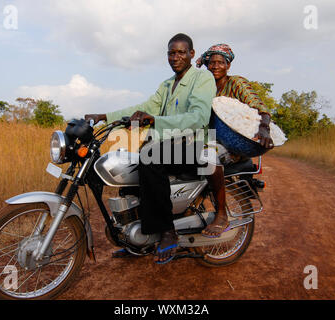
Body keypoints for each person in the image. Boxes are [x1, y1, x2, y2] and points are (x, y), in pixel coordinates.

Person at [84, 33, 216, 263]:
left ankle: (167, 232)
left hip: (193, 146)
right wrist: (105, 116)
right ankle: (138, 237)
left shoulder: (202, 79)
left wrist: (154, 120)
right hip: (166, 146)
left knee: (150, 157)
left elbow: (198, 117)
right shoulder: (166, 85)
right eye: (171, 53)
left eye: (180, 52)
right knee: (131, 168)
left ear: (191, 54)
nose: (175, 57)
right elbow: (144, 107)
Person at [196, 43, 274, 237]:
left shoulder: (236, 83)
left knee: (207, 156)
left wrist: (264, 129)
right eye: (211, 63)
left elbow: (260, 107)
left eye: (220, 63)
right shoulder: (206, 88)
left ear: (228, 65)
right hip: (210, 138)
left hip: (232, 145)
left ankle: (221, 214)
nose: (215, 66)